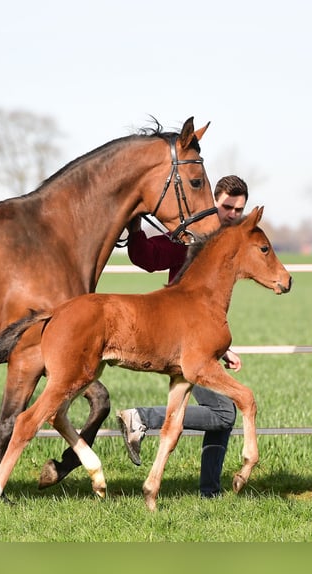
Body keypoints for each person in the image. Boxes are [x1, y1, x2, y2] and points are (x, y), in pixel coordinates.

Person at [116, 174, 249, 498]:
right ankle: (141, 418)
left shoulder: (230, 247)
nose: (231, 214)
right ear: (213, 202)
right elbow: (148, 257)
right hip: (178, 336)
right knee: (225, 411)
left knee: (224, 414)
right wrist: (134, 226)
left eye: (238, 210)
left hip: (201, 338)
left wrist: (224, 347)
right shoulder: (191, 238)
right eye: (226, 207)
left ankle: (209, 492)